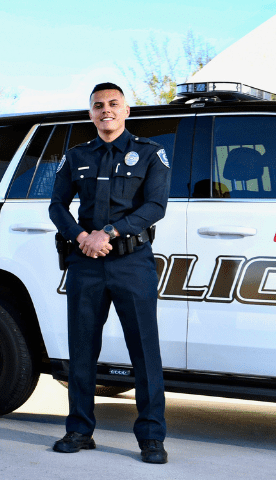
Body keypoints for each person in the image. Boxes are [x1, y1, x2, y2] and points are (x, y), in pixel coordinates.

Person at [48, 83, 170, 464]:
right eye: (98, 106)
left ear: (127, 111)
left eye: (113, 104)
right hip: (86, 262)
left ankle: (151, 437)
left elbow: (156, 205)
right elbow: (57, 206)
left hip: (131, 263)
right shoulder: (77, 155)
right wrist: (82, 236)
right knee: (82, 350)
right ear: (91, 114)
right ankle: (79, 430)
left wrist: (111, 232)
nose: (106, 110)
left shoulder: (149, 153)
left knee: (144, 351)